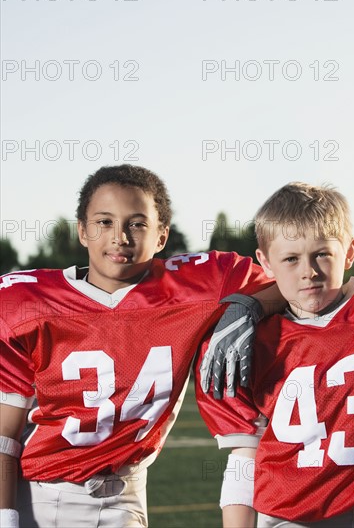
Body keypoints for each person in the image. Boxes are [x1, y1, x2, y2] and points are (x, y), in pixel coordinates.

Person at [0, 164, 282, 528]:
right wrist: (6, 517)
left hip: (127, 496)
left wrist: (250, 304)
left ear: (161, 236)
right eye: (104, 222)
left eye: (137, 223)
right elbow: (4, 439)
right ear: (82, 231)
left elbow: (291, 284)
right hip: (40, 498)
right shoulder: (25, 301)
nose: (120, 237)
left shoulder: (198, 285)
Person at [197, 182, 354, 528]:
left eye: (322, 254)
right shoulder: (250, 339)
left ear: (350, 251)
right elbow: (245, 455)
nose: (308, 271)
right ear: (265, 262)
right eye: (291, 259)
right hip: (282, 515)